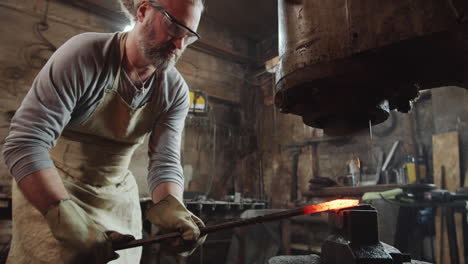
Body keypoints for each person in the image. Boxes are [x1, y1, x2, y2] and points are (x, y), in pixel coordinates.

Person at [3, 0, 206, 262]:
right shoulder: (85, 56)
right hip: (53, 191)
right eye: (174, 27)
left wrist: (173, 208)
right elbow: (25, 143)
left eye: (189, 36)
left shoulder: (174, 90)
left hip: (115, 200)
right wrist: (63, 217)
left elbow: (165, 162)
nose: (179, 45)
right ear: (143, 11)